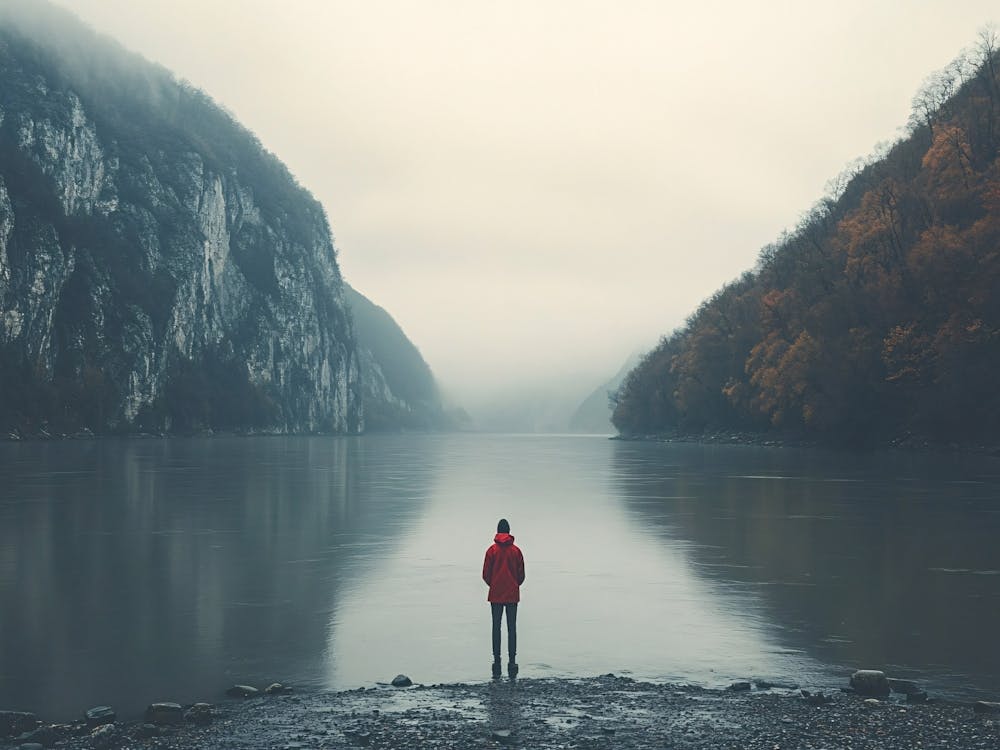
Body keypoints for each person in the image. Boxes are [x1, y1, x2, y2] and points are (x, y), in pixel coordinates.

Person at [482, 518, 525, 678]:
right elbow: (521, 575)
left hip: (495, 595)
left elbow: (485, 574)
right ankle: (512, 660)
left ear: (498, 531)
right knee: (512, 627)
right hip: (512, 594)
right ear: (509, 531)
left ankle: (496, 660)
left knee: (496, 627)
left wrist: (494, 585)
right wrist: (514, 584)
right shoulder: (516, 551)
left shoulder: (491, 551)